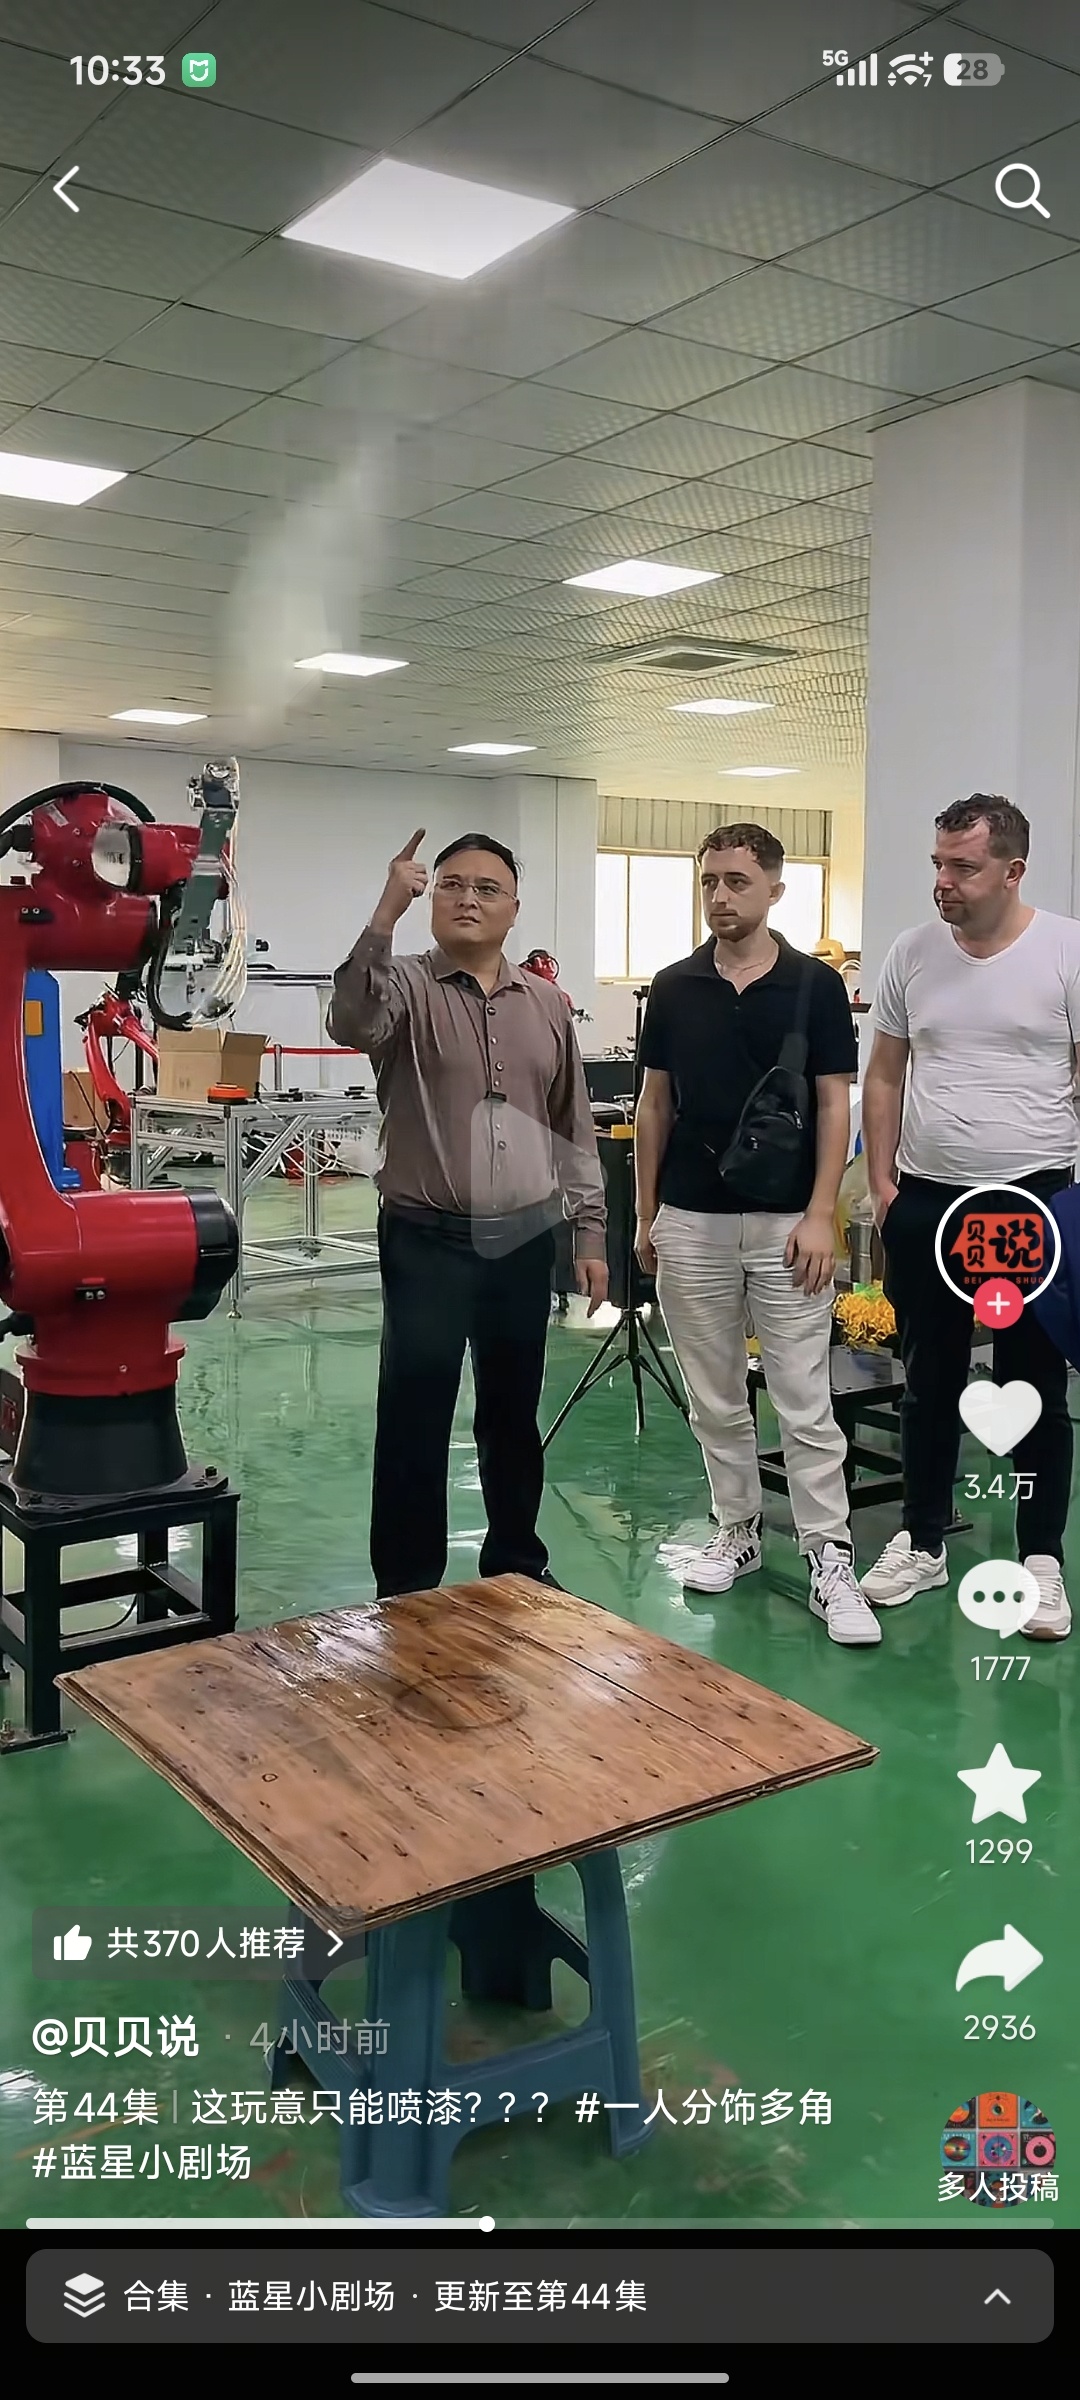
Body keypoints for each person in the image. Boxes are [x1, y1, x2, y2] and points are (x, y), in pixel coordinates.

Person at [328, 829, 608, 1599]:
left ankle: (517, 1562)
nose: (468, 899)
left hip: (522, 1237)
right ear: (431, 899)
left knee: (513, 1411)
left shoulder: (546, 1004)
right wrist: (385, 912)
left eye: (487, 888)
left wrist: (589, 1231)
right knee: (415, 1411)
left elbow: (572, 1123)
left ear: (514, 909)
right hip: (426, 1237)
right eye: (451, 884)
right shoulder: (405, 987)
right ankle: (408, 1583)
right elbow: (350, 1021)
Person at [634, 824, 878, 1646]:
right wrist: (647, 1215)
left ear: (775, 889)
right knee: (715, 1397)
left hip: (787, 1224)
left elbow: (836, 1103)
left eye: (737, 881)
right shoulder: (674, 987)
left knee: (805, 1401)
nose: (720, 896)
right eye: (709, 881)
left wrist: (821, 1214)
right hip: (692, 1219)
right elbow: (655, 1104)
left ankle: (828, 1555)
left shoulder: (814, 987)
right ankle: (736, 1529)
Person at [861, 794, 1077, 1641]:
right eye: (938, 865)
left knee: (1033, 1385)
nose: (943, 881)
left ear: (1012, 870)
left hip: (1031, 1201)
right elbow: (885, 1072)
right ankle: (921, 1540)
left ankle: (1040, 1559)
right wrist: (882, 1185)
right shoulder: (912, 953)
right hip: (928, 1199)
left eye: (963, 866)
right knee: (929, 1380)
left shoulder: (1065, 951)